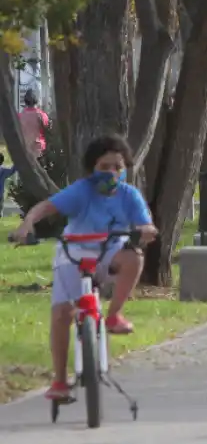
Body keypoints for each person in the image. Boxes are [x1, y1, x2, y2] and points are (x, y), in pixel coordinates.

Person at [10, 135, 158, 400]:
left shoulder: (129, 195)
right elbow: (46, 207)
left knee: (134, 257)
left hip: (110, 251)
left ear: (125, 169)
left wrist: (146, 230)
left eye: (117, 167)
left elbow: (146, 225)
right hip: (74, 252)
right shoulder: (81, 190)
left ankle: (114, 314)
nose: (111, 173)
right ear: (92, 170)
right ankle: (59, 381)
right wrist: (27, 223)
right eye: (104, 167)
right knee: (61, 314)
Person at [18, 89, 50, 159]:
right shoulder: (42, 115)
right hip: (40, 150)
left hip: (24, 150)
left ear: (25, 100)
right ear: (37, 100)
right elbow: (48, 132)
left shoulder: (20, 116)